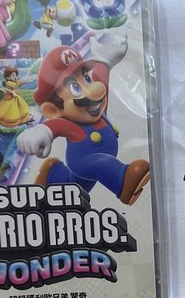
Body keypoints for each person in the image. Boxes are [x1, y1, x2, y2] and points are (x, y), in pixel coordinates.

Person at [17, 36, 149, 205]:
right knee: (102, 164)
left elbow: (101, 82)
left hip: (84, 169)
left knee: (77, 187)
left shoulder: (97, 110)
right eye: (75, 87)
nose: (93, 89)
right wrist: (40, 131)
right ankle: (123, 181)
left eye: (87, 79)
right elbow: (54, 126)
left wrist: (104, 60)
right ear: (54, 110)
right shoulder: (71, 124)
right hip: (84, 161)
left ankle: (53, 177)